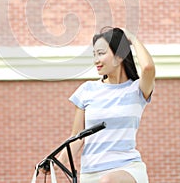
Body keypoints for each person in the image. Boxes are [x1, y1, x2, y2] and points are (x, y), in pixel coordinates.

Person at [57, 27, 155, 183]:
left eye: (101, 54)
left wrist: (132, 39)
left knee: (107, 181)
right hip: (90, 173)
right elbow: (77, 137)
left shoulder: (136, 89)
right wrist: (57, 163)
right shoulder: (87, 90)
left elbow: (148, 68)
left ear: (119, 56)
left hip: (126, 169)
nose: (96, 60)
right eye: (94, 55)